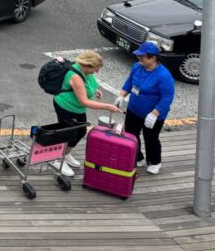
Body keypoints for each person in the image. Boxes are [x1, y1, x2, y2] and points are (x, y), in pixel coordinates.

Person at [52, 50, 122, 177]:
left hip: (76, 108)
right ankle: (58, 160)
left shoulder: (85, 71)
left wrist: (95, 90)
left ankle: (66, 154)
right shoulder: (74, 75)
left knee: (81, 131)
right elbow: (84, 101)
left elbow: (88, 84)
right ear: (87, 65)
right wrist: (107, 106)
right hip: (65, 106)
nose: (97, 72)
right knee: (68, 133)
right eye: (95, 69)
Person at [116, 41, 175, 175]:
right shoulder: (137, 67)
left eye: (142, 56)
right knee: (131, 135)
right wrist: (122, 95)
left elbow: (167, 98)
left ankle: (155, 162)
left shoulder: (164, 76)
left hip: (152, 115)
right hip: (133, 110)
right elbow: (130, 81)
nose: (139, 59)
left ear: (152, 58)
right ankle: (138, 158)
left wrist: (154, 114)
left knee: (151, 138)